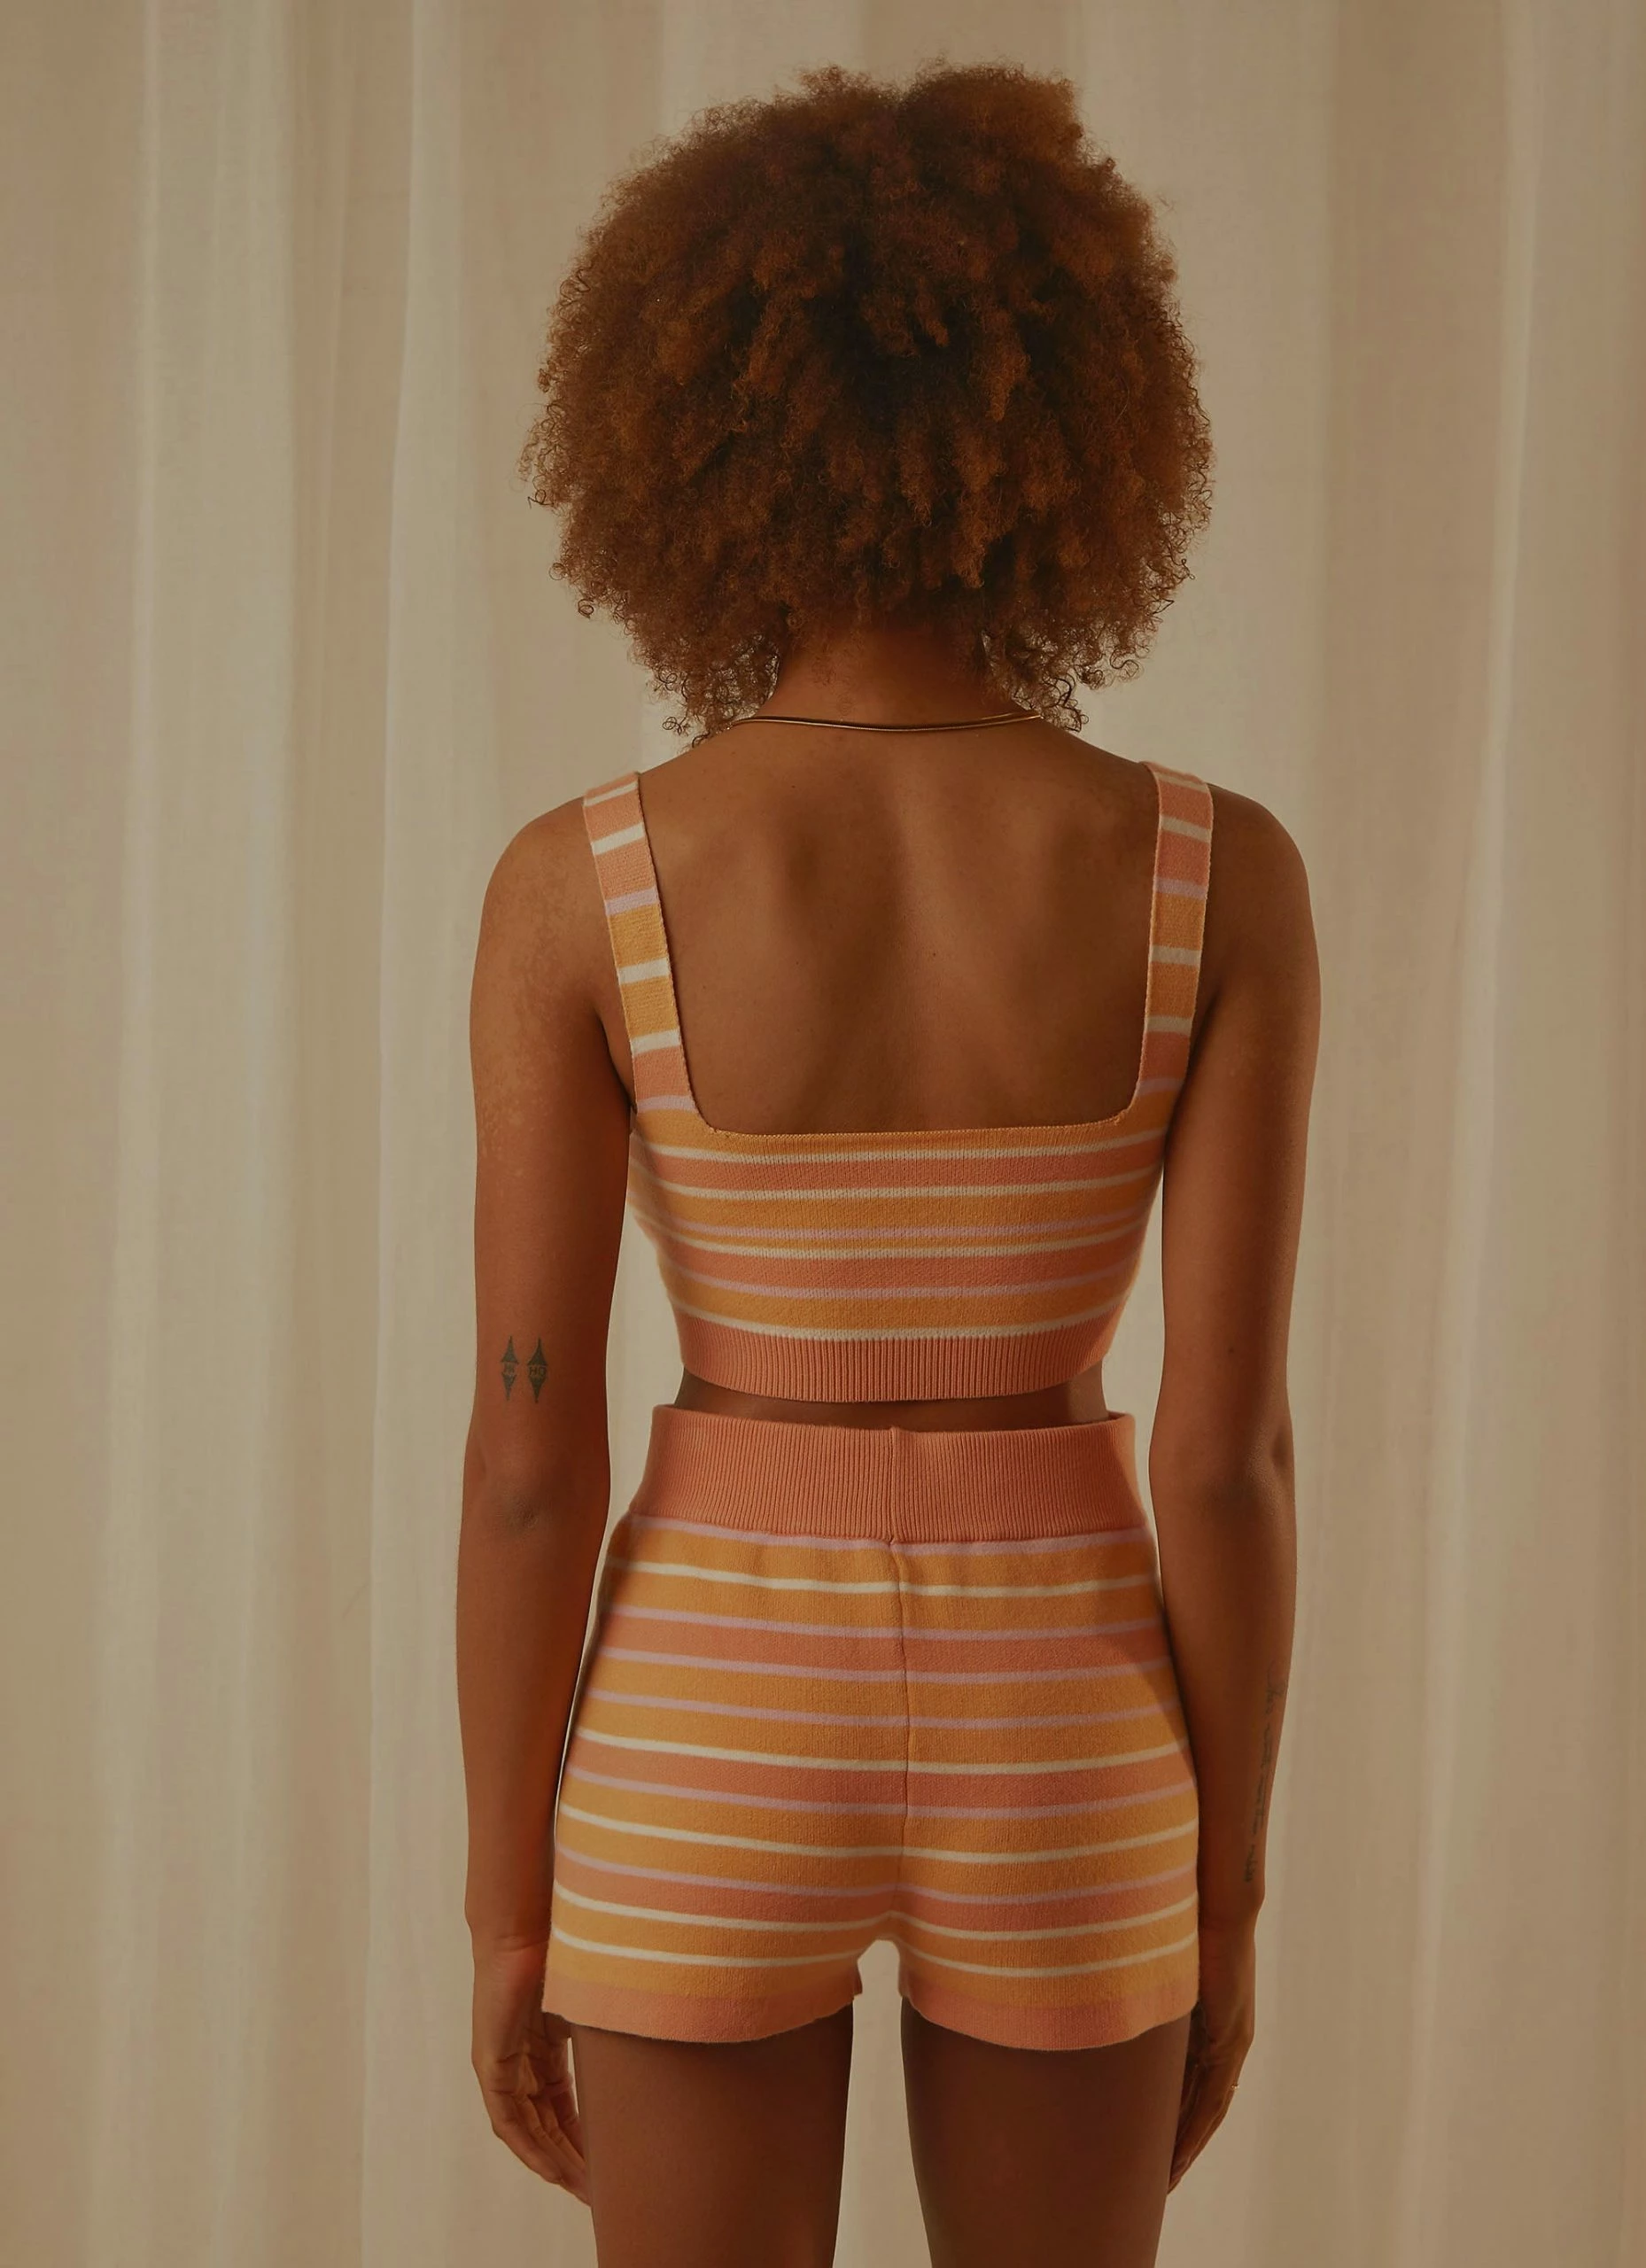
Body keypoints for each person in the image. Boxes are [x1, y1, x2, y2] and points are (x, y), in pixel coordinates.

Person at [457, 59, 1316, 2268]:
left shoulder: (580, 884)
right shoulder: (1211, 875)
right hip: (1066, 1710)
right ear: (1073, 437)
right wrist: (1223, 1889)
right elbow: (1224, 1458)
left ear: (689, 443)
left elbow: (529, 1457)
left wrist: (504, 1900)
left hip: (708, 1701)